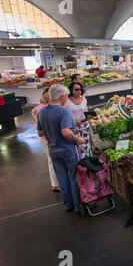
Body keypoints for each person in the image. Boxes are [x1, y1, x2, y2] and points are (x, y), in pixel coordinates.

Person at [36, 84, 86, 213]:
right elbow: (65, 132)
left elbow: (40, 133)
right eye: (66, 97)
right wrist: (77, 138)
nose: (67, 100)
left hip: (53, 150)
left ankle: (68, 205)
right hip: (67, 150)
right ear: (62, 96)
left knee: (62, 178)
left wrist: (51, 131)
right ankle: (77, 206)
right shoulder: (63, 111)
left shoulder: (41, 111)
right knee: (74, 177)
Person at [31, 88, 60, 192]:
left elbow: (33, 111)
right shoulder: (47, 108)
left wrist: (38, 122)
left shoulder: (39, 107)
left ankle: (56, 182)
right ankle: (55, 184)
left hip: (45, 137)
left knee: (52, 159)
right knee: (52, 159)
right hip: (47, 137)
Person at [65, 82, 90, 158]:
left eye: (80, 89)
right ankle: (78, 162)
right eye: (76, 89)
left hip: (84, 125)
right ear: (71, 90)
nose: (79, 91)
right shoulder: (67, 101)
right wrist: (73, 122)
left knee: (85, 144)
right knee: (76, 144)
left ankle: (85, 161)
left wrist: (89, 116)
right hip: (73, 126)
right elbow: (64, 115)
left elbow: (85, 111)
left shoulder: (84, 99)